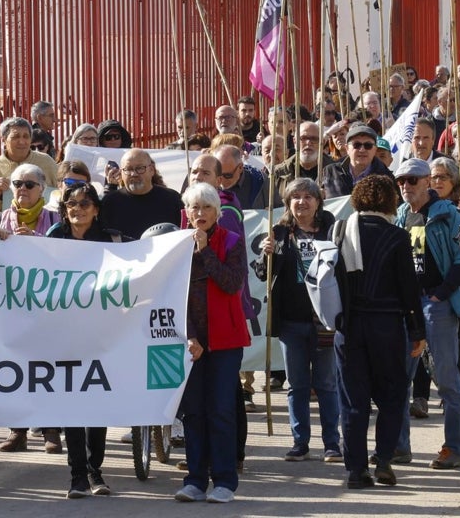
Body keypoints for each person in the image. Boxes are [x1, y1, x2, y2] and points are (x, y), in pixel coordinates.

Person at [331, 175, 425, 488]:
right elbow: (409, 289)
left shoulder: (341, 231)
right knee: (392, 396)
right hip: (387, 327)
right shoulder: (397, 237)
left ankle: (356, 470)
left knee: (354, 401)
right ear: (390, 201)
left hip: (349, 326)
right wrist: (417, 331)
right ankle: (384, 460)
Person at [43, 182, 129, 496]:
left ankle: (96, 472)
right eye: (71, 205)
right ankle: (77, 476)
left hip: (102, 335)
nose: (77, 209)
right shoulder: (55, 238)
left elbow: (149, 258)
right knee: (73, 407)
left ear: (95, 208)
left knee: (97, 407)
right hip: (64, 335)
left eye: (84, 203)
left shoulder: (112, 239)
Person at [174, 182, 250, 505]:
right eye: (194, 207)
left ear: (217, 212)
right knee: (194, 411)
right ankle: (194, 479)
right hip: (192, 340)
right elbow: (173, 294)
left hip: (225, 339)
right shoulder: (175, 245)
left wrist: (205, 250)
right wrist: (190, 335)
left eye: (206, 207)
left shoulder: (231, 241)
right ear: (186, 212)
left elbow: (231, 283)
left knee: (221, 409)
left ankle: (224, 481)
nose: (200, 213)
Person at [394, 157, 460, 470]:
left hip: (437, 304)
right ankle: (399, 447)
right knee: (400, 380)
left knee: (447, 379)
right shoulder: (400, 216)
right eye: (401, 181)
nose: (406, 186)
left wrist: (440, 293)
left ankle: (453, 447)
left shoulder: (448, 214)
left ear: (428, 181)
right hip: (408, 305)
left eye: (412, 180)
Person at [258, 179, 341, 463]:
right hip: (291, 320)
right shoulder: (279, 232)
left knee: (327, 383)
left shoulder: (332, 231)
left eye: (308, 196)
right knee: (297, 384)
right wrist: (266, 254)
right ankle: (300, 442)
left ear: (319, 201)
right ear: (287, 202)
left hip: (323, 319)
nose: (302, 202)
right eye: (295, 197)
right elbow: (261, 273)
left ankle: (332, 443)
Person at [0, 118, 59, 216]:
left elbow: (60, 194)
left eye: (26, 137)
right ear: (3, 139)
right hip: (5, 229)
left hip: (43, 226)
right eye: (16, 137)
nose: (22, 141)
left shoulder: (46, 162)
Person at [99, 149, 184, 237]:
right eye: (128, 169)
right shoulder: (110, 202)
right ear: (121, 173)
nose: (134, 174)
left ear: (151, 170)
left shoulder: (172, 199)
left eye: (140, 168)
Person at [322, 124, 392, 199]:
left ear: (375, 149)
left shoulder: (387, 178)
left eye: (368, 145)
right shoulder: (329, 172)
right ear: (347, 148)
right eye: (357, 145)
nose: (362, 150)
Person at [0, 164, 61, 239]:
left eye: (29, 184)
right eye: (18, 184)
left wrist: (34, 238)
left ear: (41, 189)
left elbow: (60, 248)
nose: (23, 188)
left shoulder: (55, 219)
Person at [269, 121, 335, 201]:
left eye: (314, 139)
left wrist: (327, 197)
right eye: (303, 138)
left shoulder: (336, 172)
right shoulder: (279, 173)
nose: (308, 143)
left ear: (322, 142)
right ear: (294, 141)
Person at [215, 145, 267, 210]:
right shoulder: (206, 181)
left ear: (240, 167)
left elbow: (278, 210)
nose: (222, 181)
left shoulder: (260, 180)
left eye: (228, 175)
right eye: (218, 175)